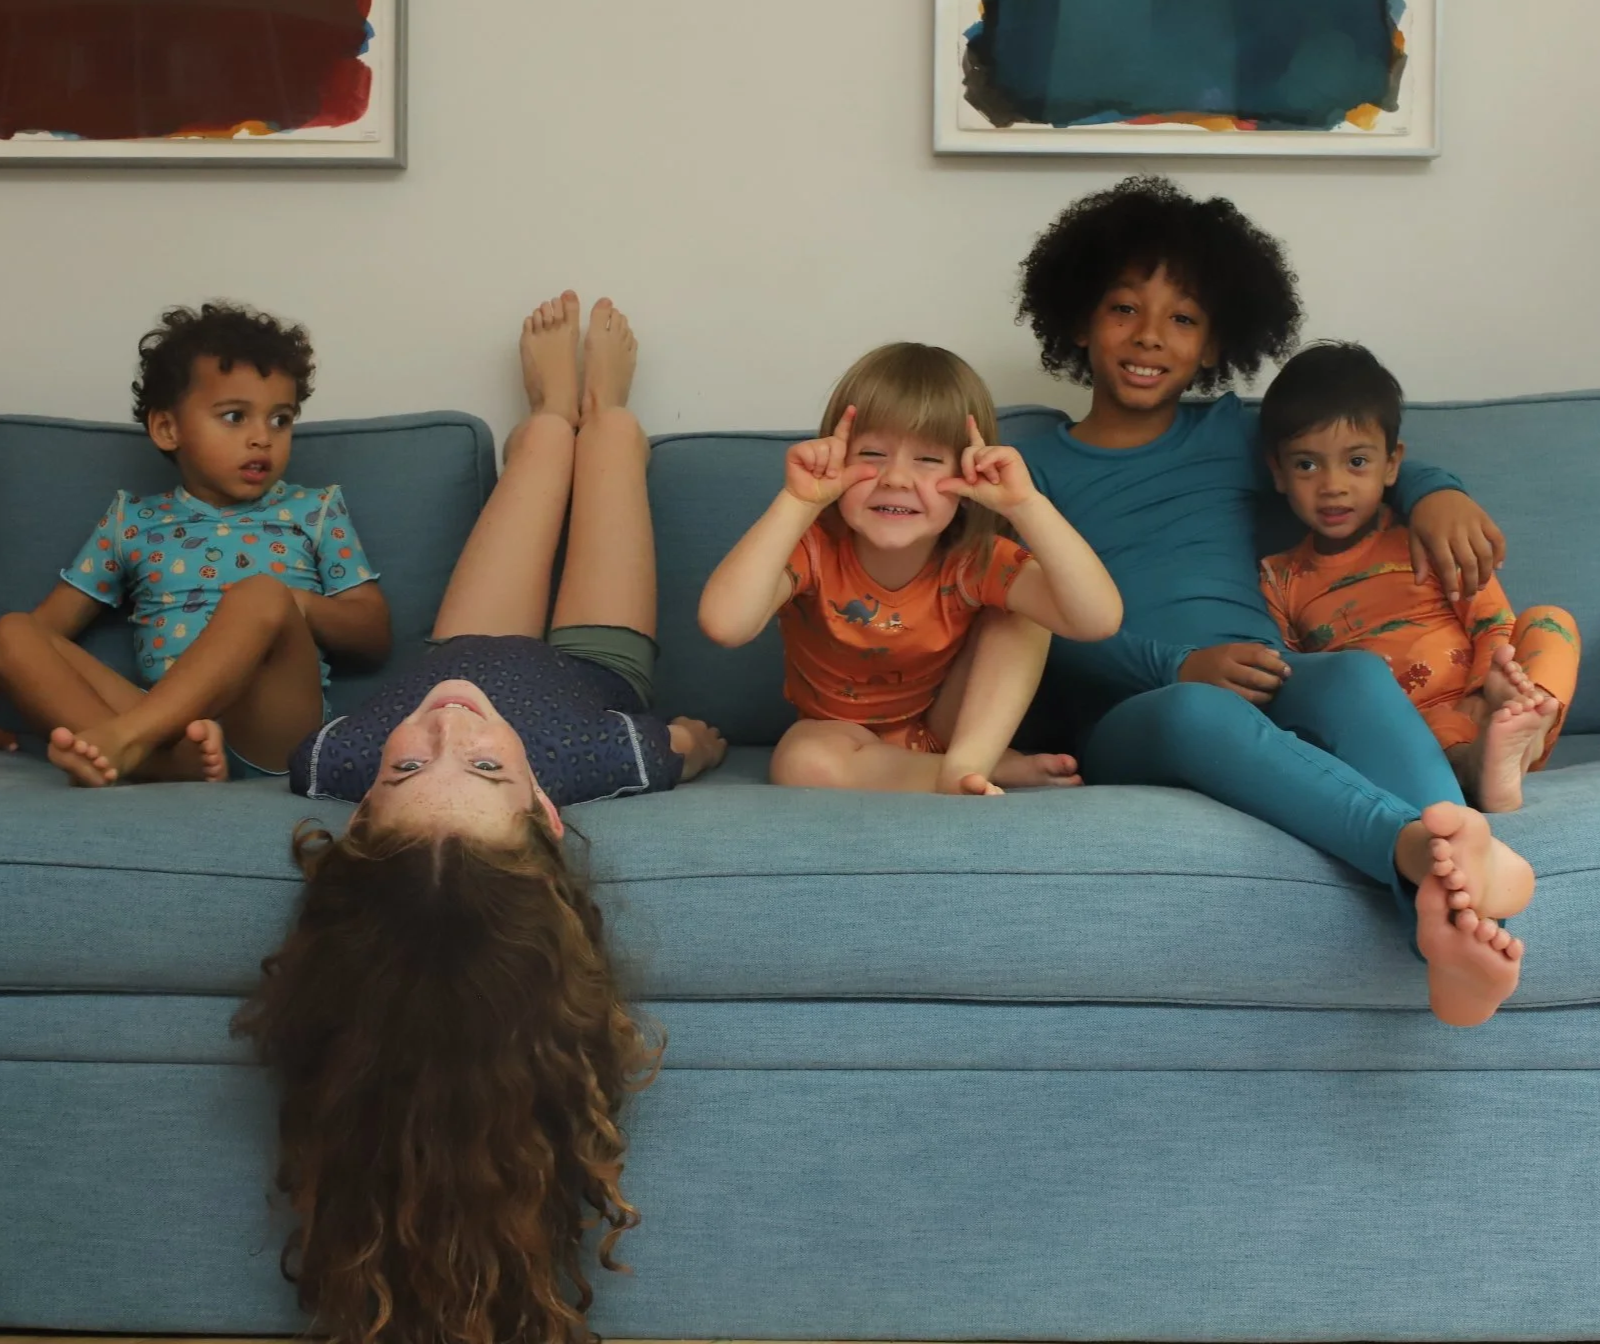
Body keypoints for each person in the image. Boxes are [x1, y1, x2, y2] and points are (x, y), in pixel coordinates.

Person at [238, 295, 724, 1344]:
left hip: (465, 632)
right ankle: (605, 408)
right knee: (613, 448)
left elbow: (270, 742)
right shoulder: (600, 755)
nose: (451, 725)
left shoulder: (337, 755)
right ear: (544, 806)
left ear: (368, 796)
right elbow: (691, 740)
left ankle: (550, 411)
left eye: (412, 763)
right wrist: (695, 738)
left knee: (540, 452)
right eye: (488, 765)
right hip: (599, 657)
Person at [1015, 176, 1534, 1027]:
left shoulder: (1233, 436)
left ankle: (1450, 935)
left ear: (1215, 342)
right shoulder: (1031, 468)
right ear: (1076, 319)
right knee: (1195, 711)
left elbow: (1345, 458)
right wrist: (1177, 663)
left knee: (1358, 678)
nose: (1151, 337)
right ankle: (1414, 846)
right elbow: (1022, 617)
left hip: (1273, 673)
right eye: (1122, 309)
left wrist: (1435, 488)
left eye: (1182, 318)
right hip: (1137, 713)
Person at [699, 341, 1121, 796]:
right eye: (872, 454)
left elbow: (1096, 620)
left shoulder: (974, 560)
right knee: (802, 759)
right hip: (843, 734)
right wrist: (797, 502)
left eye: (928, 459)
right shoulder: (813, 549)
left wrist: (1024, 504)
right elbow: (726, 624)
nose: (896, 479)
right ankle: (968, 777)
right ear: (837, 460)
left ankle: (970, 762)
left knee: (1031, 605)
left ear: (967, 474)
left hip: (951, 725)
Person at [0, 303, 389, 785]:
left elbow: (373, 635)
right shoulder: (132, 521)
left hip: (273, 727)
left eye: (280, 420)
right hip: (172, 727)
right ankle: (161, 763)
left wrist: (299, 606)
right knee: (13, 631)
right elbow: (46, 630)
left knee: (261, 592)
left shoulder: (314, 510)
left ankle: (128, 743)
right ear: (168, 429)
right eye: (234, 416)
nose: (261, 439)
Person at [1258, 341, 1580, 814]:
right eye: (1306, 464)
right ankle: (1479, 768)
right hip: (1399, 729)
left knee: (1552, 622)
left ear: (1392, 464)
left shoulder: (1427, 535)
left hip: (1492, 702)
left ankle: (1515, 746)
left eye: (1357, 461)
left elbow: (1491, 620)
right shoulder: (1280, 578)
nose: (1333, 485)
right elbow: (1297, 681)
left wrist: (1483, 696)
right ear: (1278, 472)